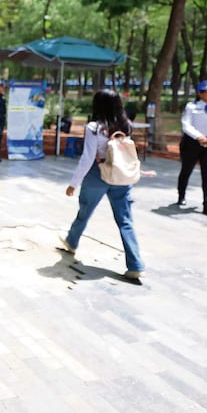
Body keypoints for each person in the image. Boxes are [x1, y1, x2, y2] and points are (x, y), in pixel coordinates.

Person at [61, 89, 145, 280]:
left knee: (85, 211)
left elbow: (88, 157)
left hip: (97, 175)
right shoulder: (126, 125)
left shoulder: (94, 127)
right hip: (121, 177)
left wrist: (73, 183)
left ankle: (72, 242)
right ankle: (135, 264)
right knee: (125, 220)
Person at [177, 79, 207, 216]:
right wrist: (198, 136)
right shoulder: (191, 107)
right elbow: (186, 125)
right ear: (200, 93)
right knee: (186, 170)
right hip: (193, 142)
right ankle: (181, 195)